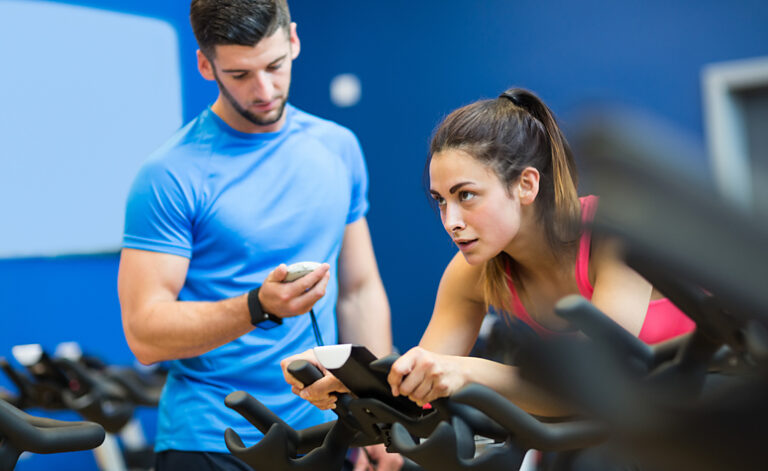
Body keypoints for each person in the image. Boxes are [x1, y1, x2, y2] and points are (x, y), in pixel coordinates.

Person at [288, 88, 694, 419]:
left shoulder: (611, 235)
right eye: (442, 201)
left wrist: (465, 371)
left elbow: (592, 384)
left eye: (466, 196)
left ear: (526, 185)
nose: (451, 221)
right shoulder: (472, 274)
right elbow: (421, 388)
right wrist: (356, 383)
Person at [117, 1, 401, 469]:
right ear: (206, 65)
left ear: (293, 39)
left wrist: (380, 416)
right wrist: (259, 306)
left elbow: (358, 290)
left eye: (274, 66)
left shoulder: (337, 147)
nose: (265, 90)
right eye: (241, 74)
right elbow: (145, 334)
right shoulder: (169, 174)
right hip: (211, 438)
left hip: (324, 431)